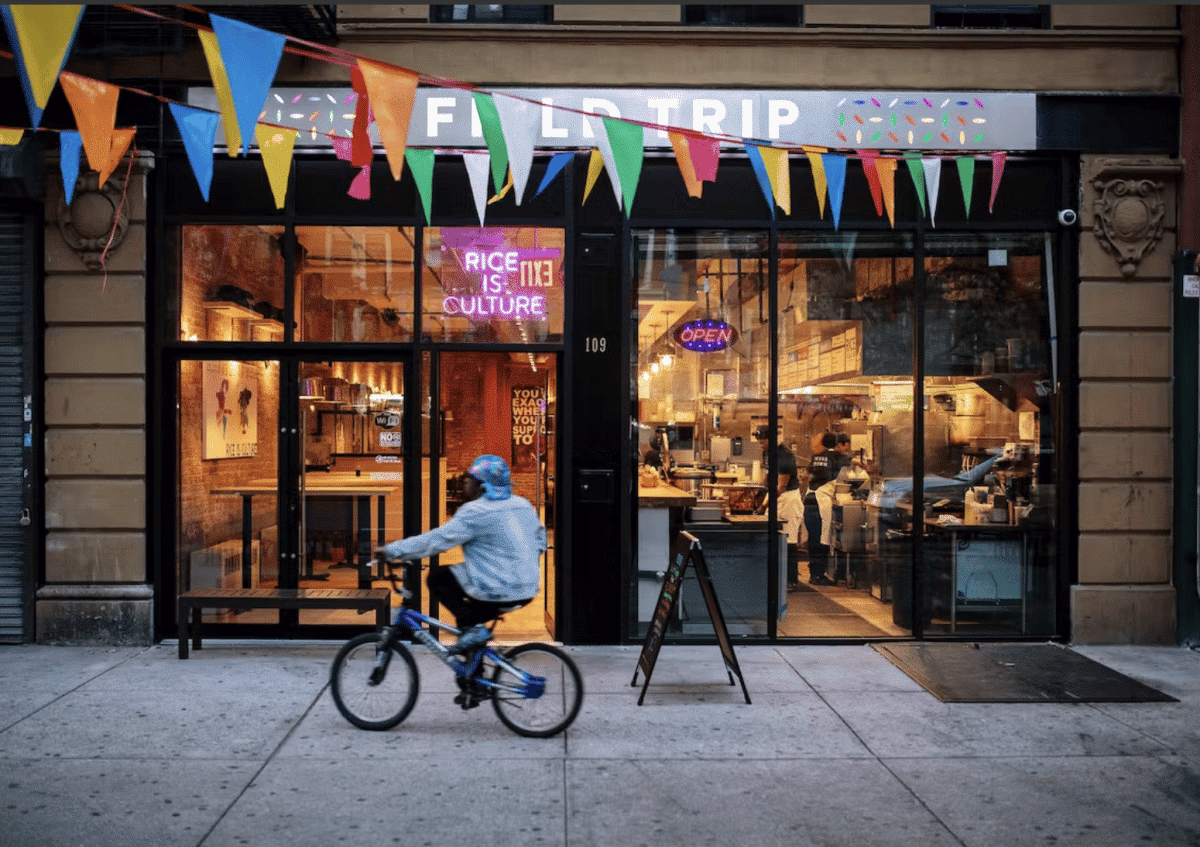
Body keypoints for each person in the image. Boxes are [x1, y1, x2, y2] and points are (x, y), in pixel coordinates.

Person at [375, 454, 545, 654]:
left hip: (498, 588)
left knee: (438, 578)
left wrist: (393, 550)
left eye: (469, 478)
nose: (465, 481)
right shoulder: (523, 504)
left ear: (483, 485)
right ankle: (475, 677)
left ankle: (472, 639)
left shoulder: (475, 511)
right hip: (528, 588)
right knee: (469, 629)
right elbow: (541, 540)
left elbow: (436, 540)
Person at [754, 426, 804, 588]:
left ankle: (791, 580)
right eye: (759, 441)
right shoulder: (767, 452)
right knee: (774, 538)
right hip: (774, 494)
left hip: (788, 498)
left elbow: (781, 486)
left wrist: (763, 506)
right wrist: (757, 490)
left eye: (763, 441)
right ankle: (776, 576)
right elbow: (769, 475)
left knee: (788, 541)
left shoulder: (785, 455)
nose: (761, 444)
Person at [805, 431, 840, 585]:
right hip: (821, 501)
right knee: (821, 539)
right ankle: (819, 575)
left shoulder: (816, 457)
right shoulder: (837, 457)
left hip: (809, 498)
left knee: (813, 538)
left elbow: (806, 475)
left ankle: (814, 574)